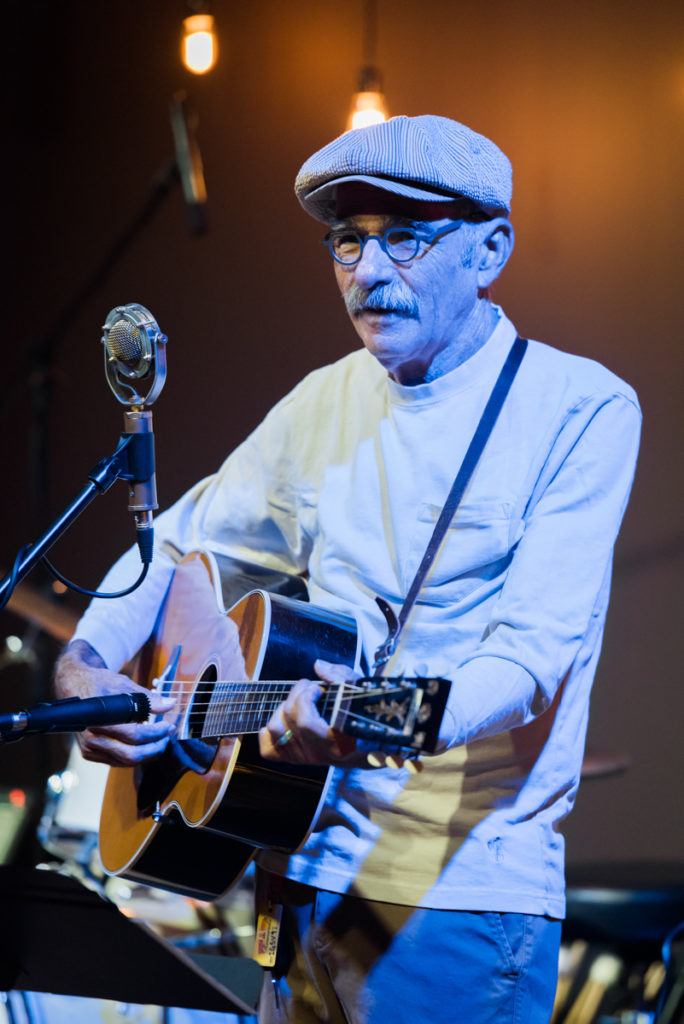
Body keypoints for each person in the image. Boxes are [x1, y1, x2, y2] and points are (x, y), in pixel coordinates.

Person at [55, 114, 641, 1023]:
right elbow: (176, 542)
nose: (367, 273)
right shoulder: (326, 398)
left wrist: (368, 719)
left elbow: (530, 658)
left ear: (490, 250)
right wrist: (88, 663)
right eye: (346, 243)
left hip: (451, 907)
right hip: (291, 877)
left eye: (404, 239)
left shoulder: (580, 407)